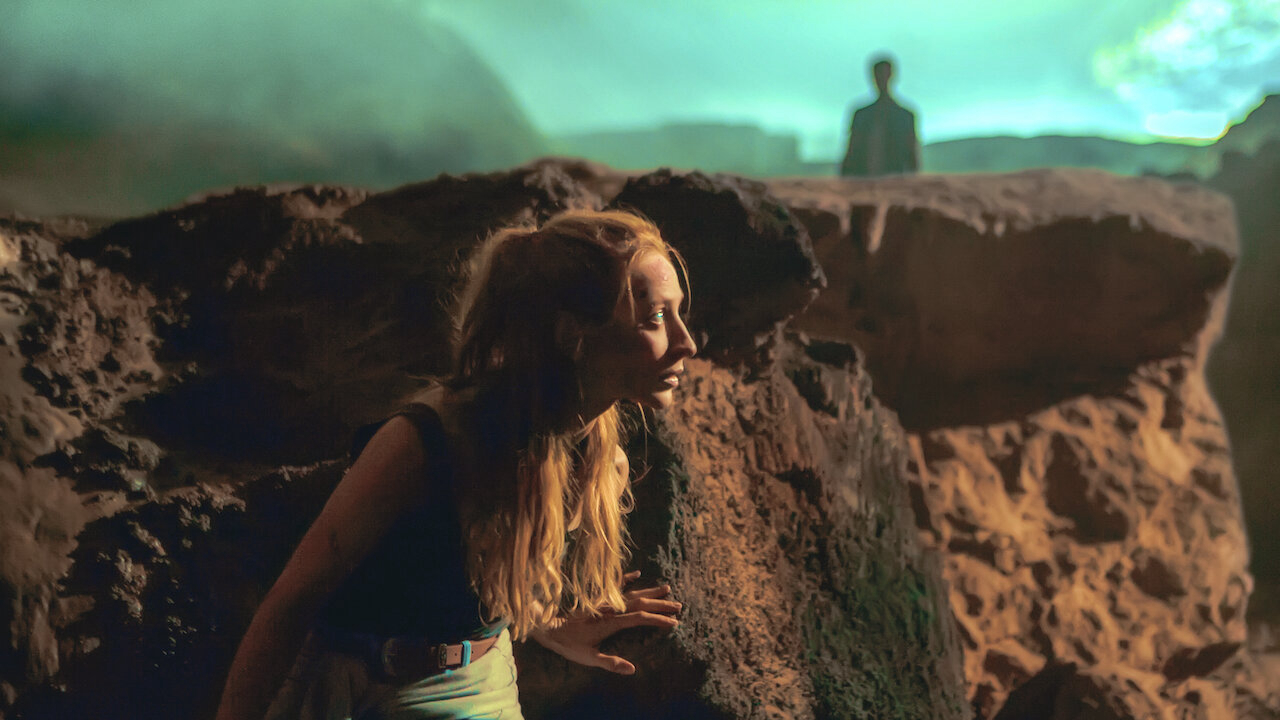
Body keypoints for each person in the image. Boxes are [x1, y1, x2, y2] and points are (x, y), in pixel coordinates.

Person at [215, 209, 697, 720]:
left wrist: (554, 628)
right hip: (338, 678)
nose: (687, 341)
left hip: (470, 683)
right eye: (656, 318)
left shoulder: (601, 464)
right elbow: (292, 601)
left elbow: (490, 586)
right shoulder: (426, 442)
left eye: (678, 314)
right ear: (572, 334)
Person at [839, 54, 922, 177]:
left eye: (884, 75)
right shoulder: (861, 115)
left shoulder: (905, 116)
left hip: (894, 181)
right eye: (878, 76)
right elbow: (851, 152)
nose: (881, 80)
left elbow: (912, 157)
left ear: (891, 76)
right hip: (863, 181)